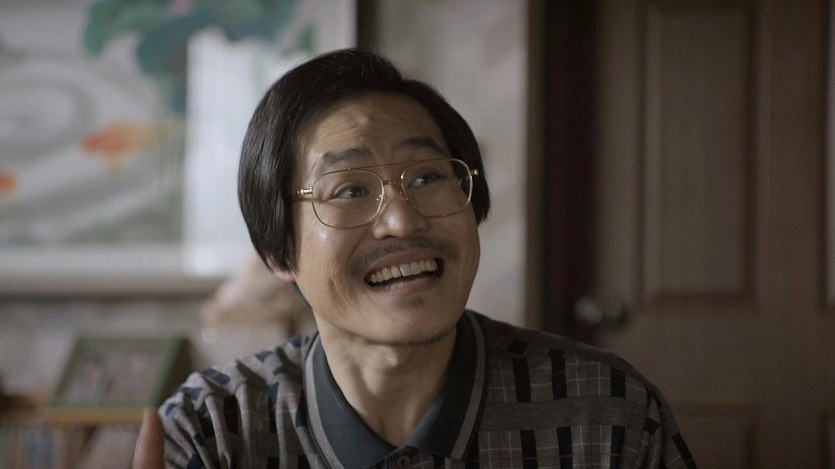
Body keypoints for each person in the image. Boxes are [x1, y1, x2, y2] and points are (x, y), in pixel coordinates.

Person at [134, 48, 696, 468]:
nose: (402, 221)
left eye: (427, 178)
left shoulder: (607, 416)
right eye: (350, 190)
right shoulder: (214, 431)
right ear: (278, 251)